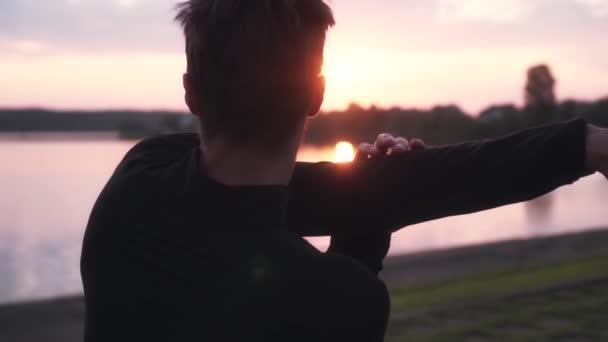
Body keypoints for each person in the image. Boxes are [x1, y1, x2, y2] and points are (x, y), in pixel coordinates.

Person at [80, 0, 608, 341]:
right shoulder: (341, 304)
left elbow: (270, 204)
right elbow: (324, 220)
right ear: (316, 93)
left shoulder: (139, 181)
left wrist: (578, 147)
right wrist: (366, 231)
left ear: (191, 91)